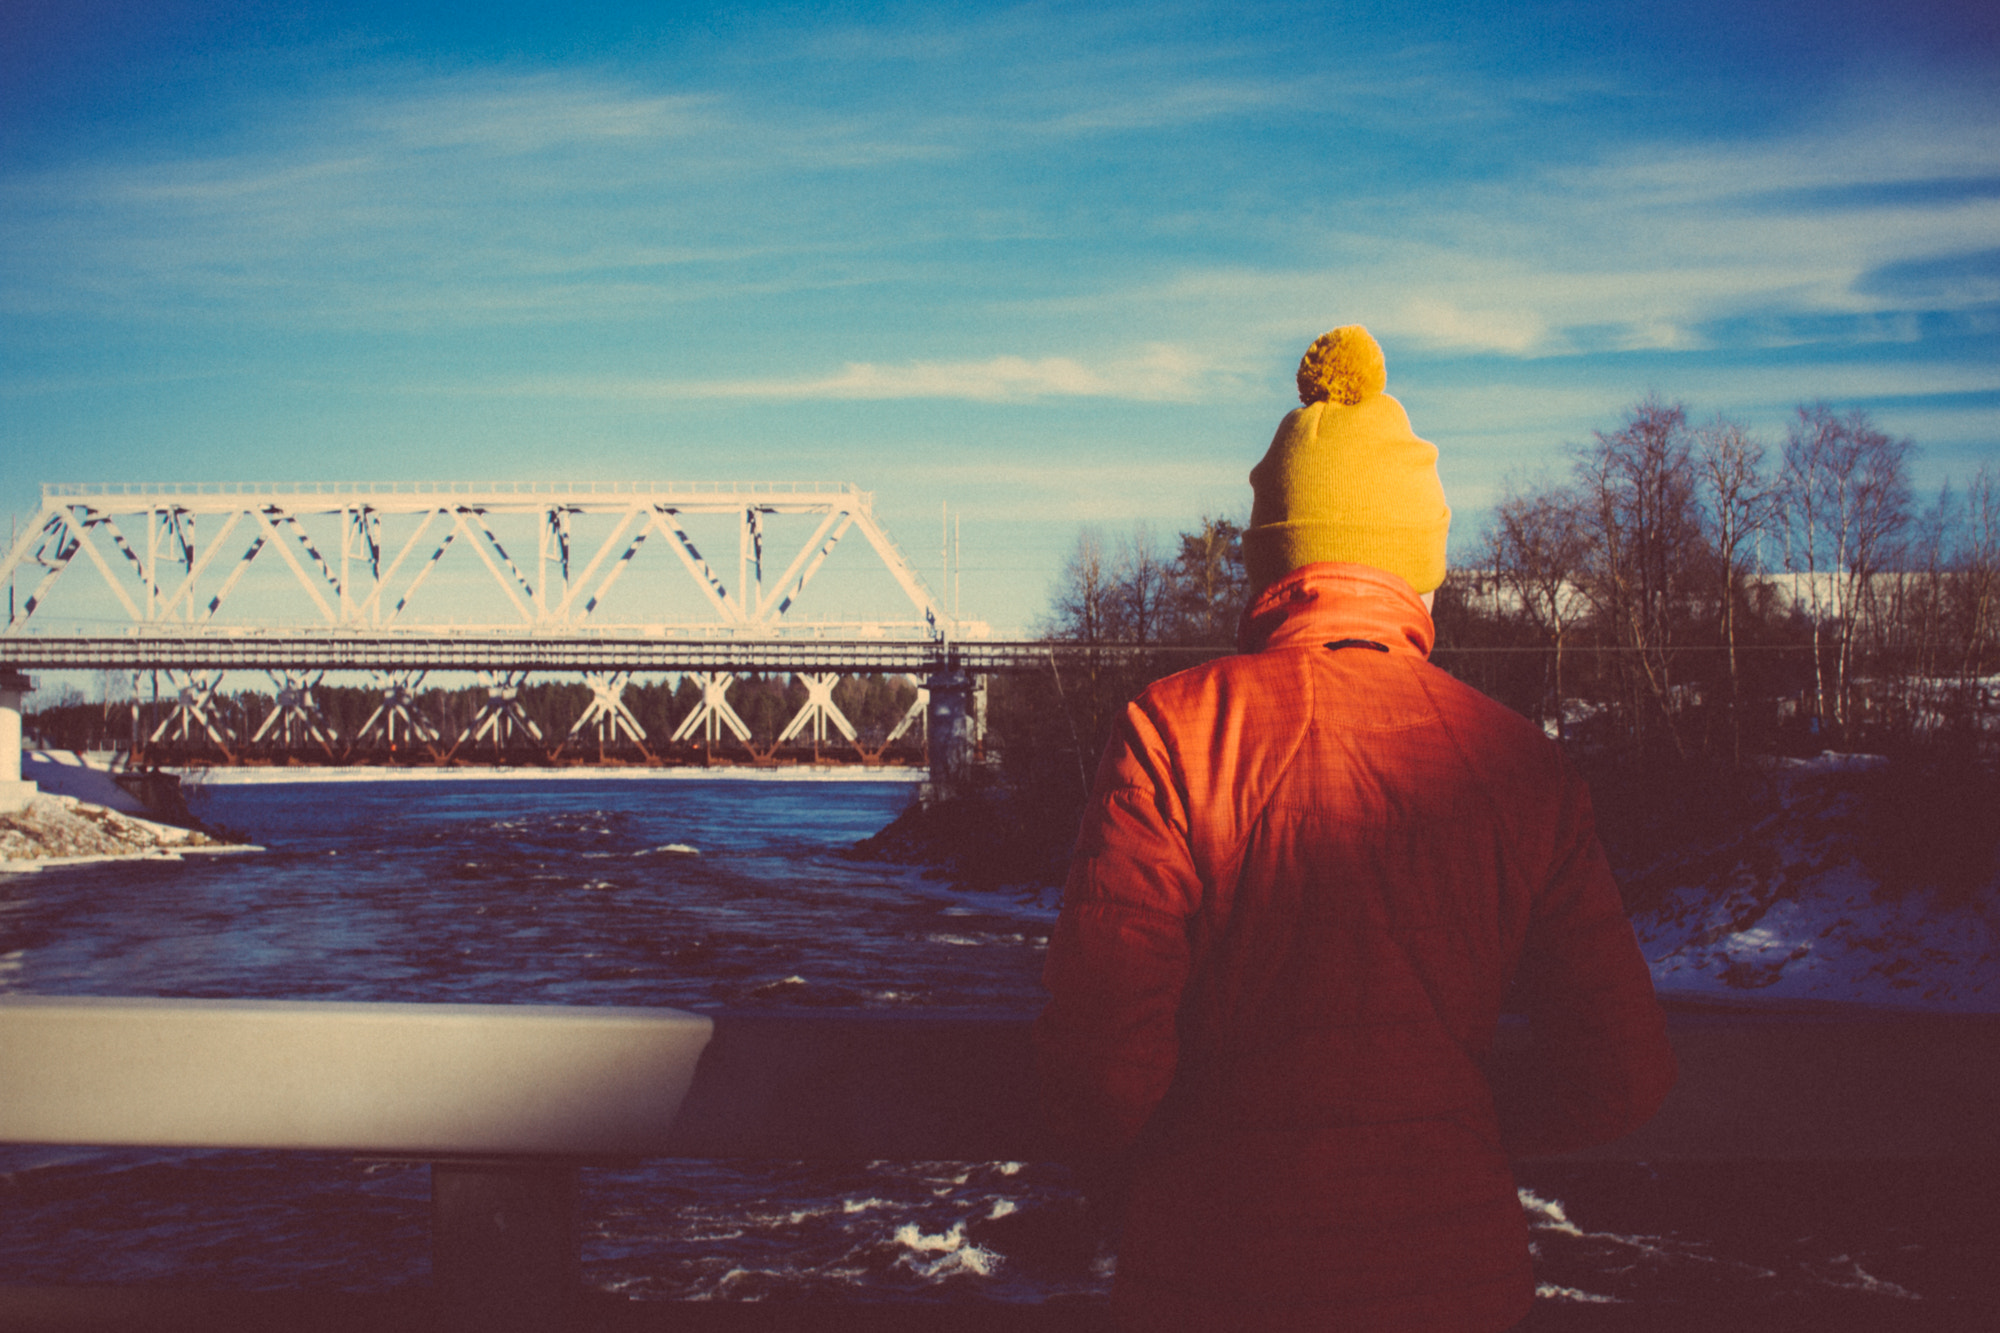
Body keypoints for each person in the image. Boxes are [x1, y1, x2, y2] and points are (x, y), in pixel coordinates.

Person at [1034, 326, 1677, 1331]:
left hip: (1212, 1274)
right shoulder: (1519, 761)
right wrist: (1453, 1125)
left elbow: (1096, 1063)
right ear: (1421, 572)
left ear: (1266, 568)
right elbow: (1620, 1071)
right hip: (1454, 1281)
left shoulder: (1170, 728)